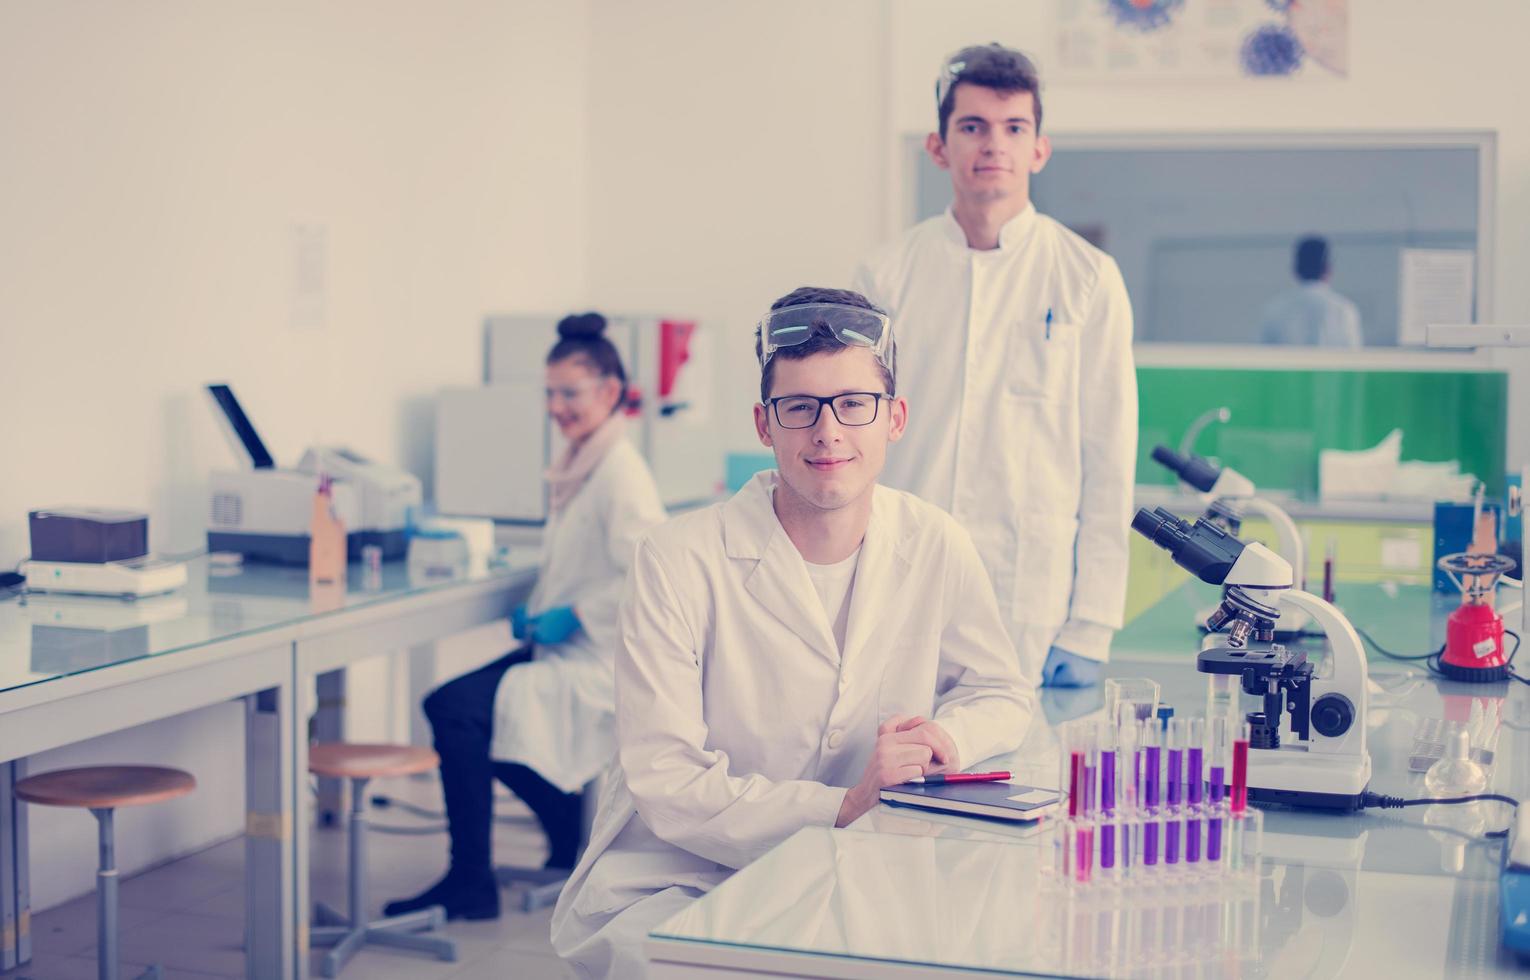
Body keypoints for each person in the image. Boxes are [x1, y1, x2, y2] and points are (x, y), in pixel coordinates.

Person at [551, 287, 1034, 978]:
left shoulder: (934, 542)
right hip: (680, 879)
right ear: (764, 423)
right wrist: (843, 806)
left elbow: (1001, 692)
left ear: (894, 418)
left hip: (862, 867)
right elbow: (666, 779)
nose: (828, 431)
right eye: (799, 407)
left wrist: (942, 740)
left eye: (853, 404)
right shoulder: (678, 558)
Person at [853, 43, 1138, 689]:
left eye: (1014, 128)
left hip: (1027, 597)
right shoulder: (887, 276)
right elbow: (857, 436)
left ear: (1039, 149)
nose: (994, 144)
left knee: (1018, 778)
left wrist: (1092, 622)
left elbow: (1108, 461)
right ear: (938, 146)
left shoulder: (1086, 279)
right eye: (973, 126)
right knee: (888, 769)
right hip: (899, 581)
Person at [383, 313, 666, 921]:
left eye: (570, 393)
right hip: (566, 646)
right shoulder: (585, 461)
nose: (556, 407)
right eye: (550, 393)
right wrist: (541, 609)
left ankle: (472, 882)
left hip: (595, 659)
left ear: (610, 393)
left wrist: (573, 614)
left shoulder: (622, 475)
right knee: (471, 710)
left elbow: (647, 577)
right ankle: (566, 833)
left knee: (456, 710)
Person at [1259, 236, 1363, 348]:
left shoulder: (1275, 309)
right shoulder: (1344, 310)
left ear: (1296, 269)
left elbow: (1265, 356)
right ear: (1328, 268)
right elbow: (1353, 357)